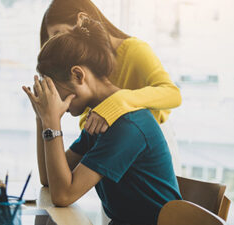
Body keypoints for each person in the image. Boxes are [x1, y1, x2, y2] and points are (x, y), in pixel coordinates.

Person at [23, 19, 181, 225]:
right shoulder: (101, 118)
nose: (52, 98)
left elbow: (63, 195)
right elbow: (49, 180)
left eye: (53, 89)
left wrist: (52, 121)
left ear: (78, 75)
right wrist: (42, 118)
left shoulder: (125, 125)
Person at [40, 0, 182, 174]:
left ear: (82, 20)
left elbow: (172, 94)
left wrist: (117, 102)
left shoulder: (134, 50)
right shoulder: (86, 71)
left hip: (147, 149)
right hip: (114, 145)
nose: (59, 46)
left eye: (59, 35)